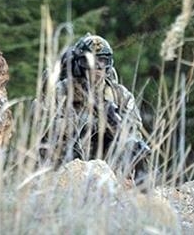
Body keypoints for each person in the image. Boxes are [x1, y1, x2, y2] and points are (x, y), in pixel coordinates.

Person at [40, 33, 151, 177]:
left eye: (102, 62)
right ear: (80, 64)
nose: (97, 68)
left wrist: (114, 127)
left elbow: (134, 129)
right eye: (90, 62)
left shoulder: (120, 95)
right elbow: (46, 128)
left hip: (108, 171)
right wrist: (89, 124)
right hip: (66, 168)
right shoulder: (61, 91)